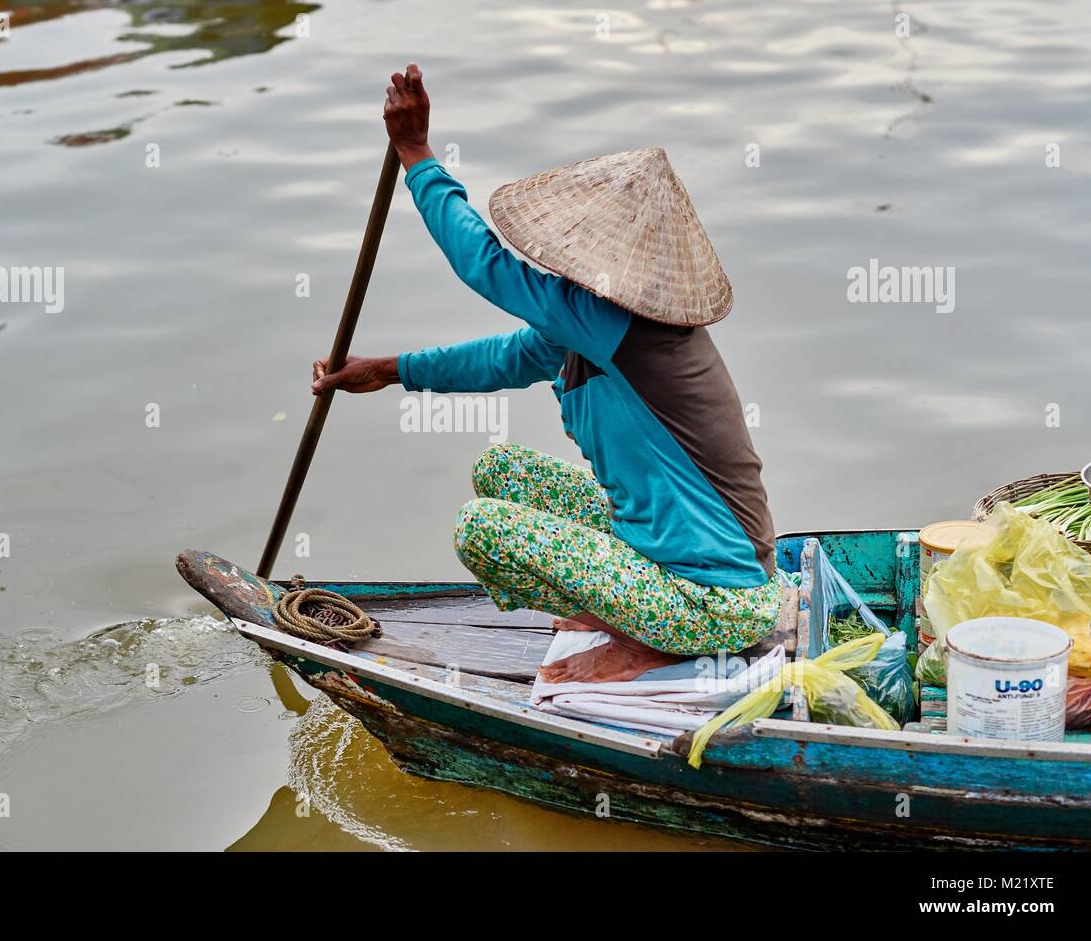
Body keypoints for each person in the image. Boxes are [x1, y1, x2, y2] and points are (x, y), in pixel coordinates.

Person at [312, 63, 781, 684]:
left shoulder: (624, 325)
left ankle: (649, 640)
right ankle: (624, 611)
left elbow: (484, 266)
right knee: (499, 471)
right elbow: (504, 358)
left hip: (718, 603)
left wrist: (417, 154)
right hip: (667, 559)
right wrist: (390, 371)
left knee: (480, 527)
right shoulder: (592, 326)